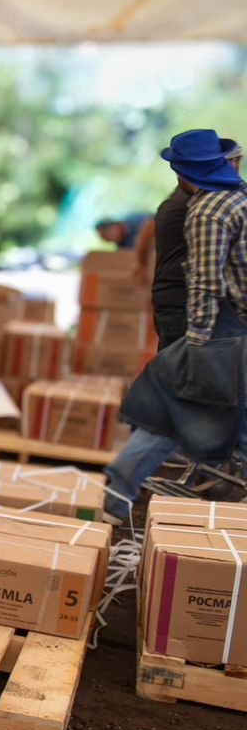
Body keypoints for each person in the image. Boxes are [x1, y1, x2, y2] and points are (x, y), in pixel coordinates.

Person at [104, 131, 246, 520]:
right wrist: (198, 344)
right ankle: (119, 494)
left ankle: (123, 493)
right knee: (173, 412)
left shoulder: (217, 206)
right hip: (217, 330)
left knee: (185, 412)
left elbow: (210, 281)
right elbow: (206, 281)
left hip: (221, 329)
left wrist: (198, 341)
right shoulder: (218, 206)